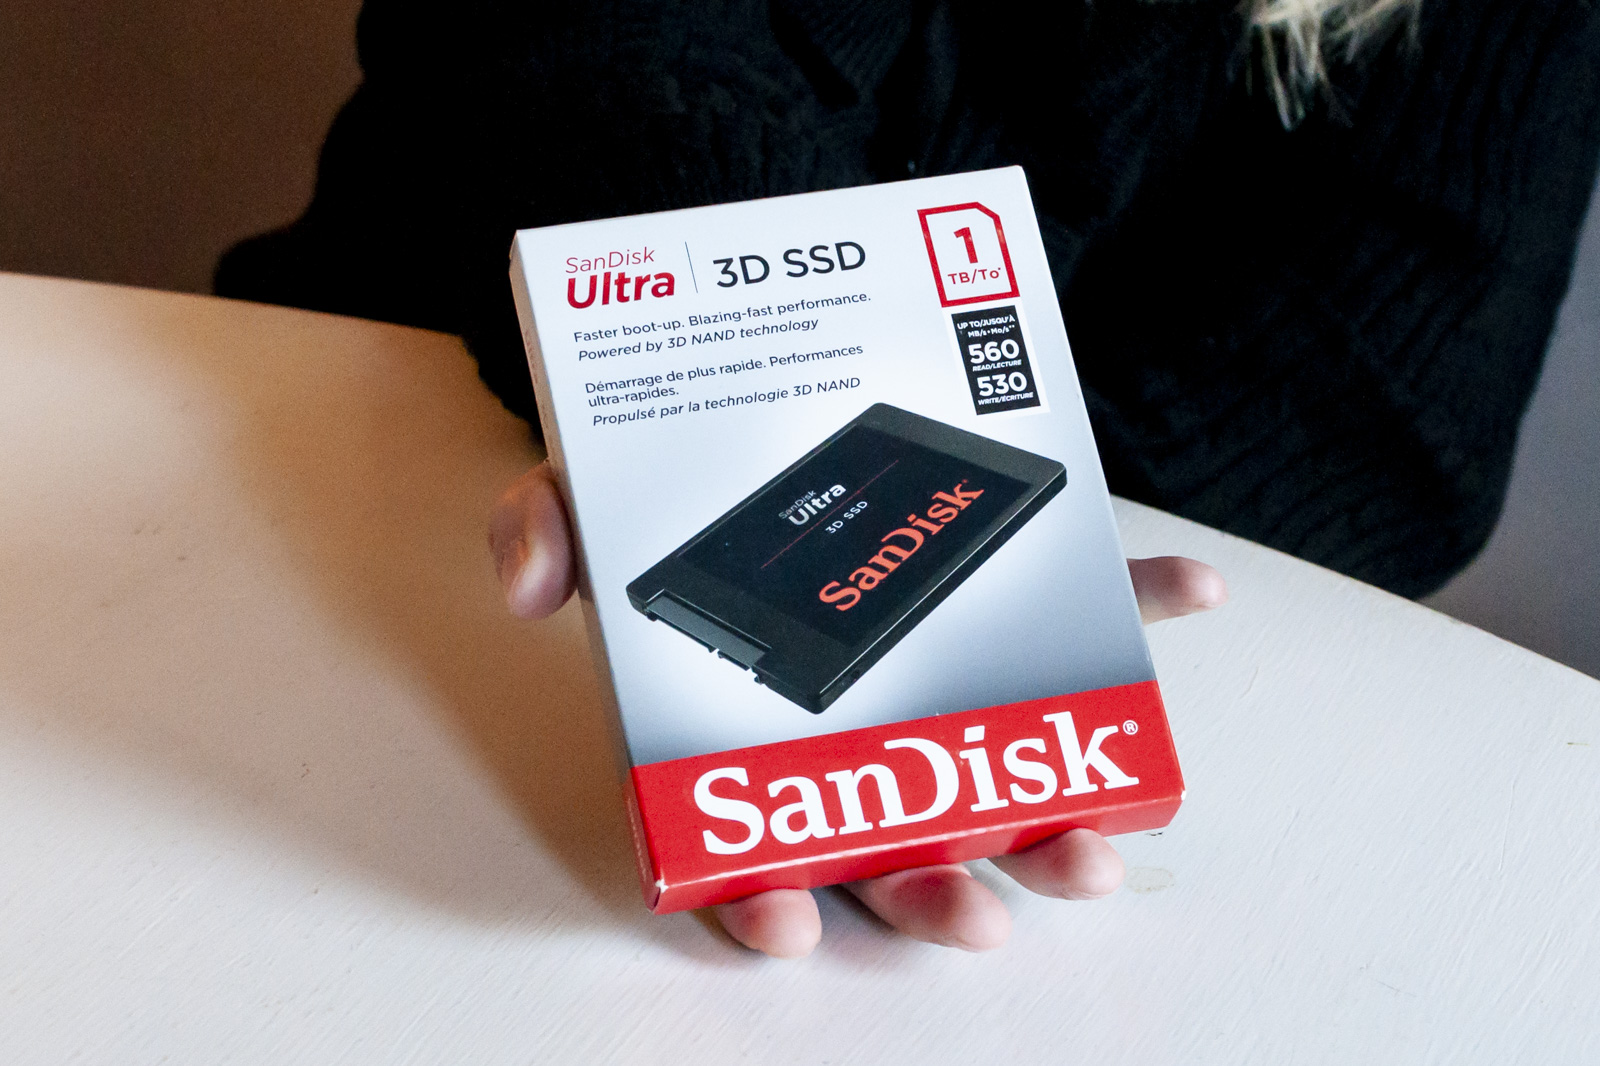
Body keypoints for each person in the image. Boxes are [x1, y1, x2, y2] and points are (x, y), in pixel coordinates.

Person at [218, 0, 1600, 955]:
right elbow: (580, 46)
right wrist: (713, 400)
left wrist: (1015, 542)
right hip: (358, 434)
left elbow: (1390, 388)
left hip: (1088, 608)